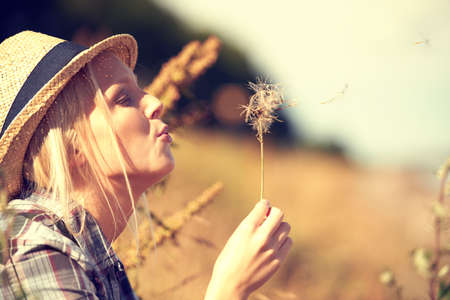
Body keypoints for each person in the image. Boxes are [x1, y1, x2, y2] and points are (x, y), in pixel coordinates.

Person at [0, 31, 292, 299]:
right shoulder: (31, 249)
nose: (155, 103)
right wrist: (229, 288)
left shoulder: (94, 259)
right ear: (70, 146)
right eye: (124, 98)